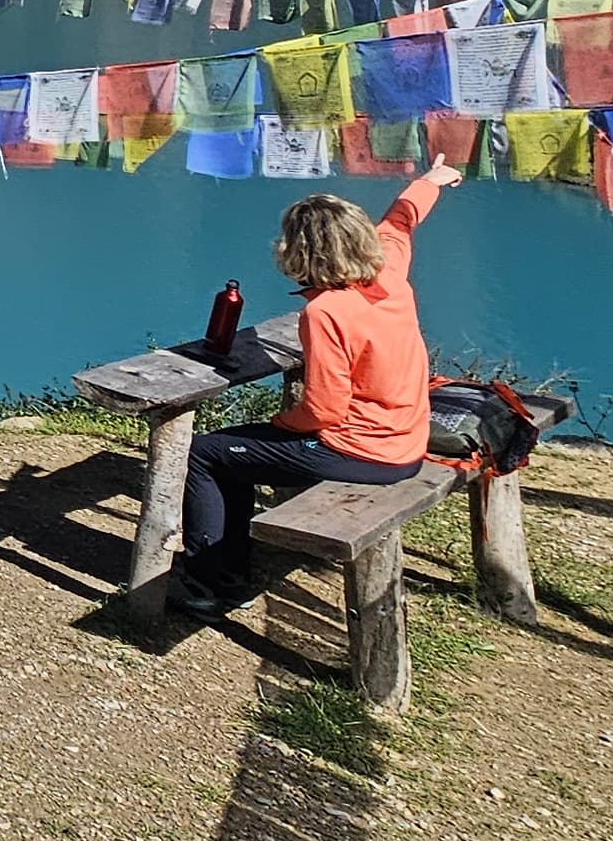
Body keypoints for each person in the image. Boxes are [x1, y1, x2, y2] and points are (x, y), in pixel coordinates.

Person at [168, 162, 459, 617]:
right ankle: (229, 570)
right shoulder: (391, 274)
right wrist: (430, 181)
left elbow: (323, 409)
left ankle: (206, 583)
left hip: (362, 452)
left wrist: (280, 424)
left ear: (298, 254)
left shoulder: (326, 312)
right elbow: (401, 222)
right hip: (406, 441)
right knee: (237, 454)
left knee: (205, 453)